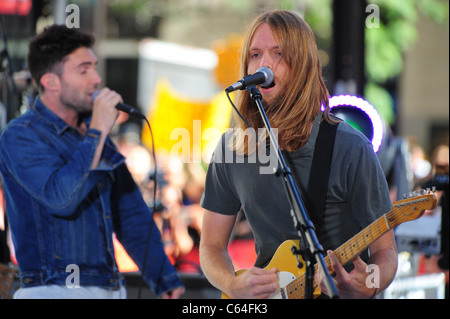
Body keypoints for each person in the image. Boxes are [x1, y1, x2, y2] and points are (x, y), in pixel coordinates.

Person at [199, 10, 398, 299]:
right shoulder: (233, 148)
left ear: (303, 64)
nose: (264, 64)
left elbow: (385, 250)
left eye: (278, 53)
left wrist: (370, 282)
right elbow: (211, 246)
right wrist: (232, 284)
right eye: (255, 55)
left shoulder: (350, 148)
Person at [0, 25, 184, 299]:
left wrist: (164, 279)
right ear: (51, 82)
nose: (96, 79)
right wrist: (98, 129)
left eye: (94, 68)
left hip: (110, 286)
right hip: (53, 289)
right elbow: (62, 199)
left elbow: (130, 214)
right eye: (83, 70)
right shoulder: (20, 135)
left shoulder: (94, 137)